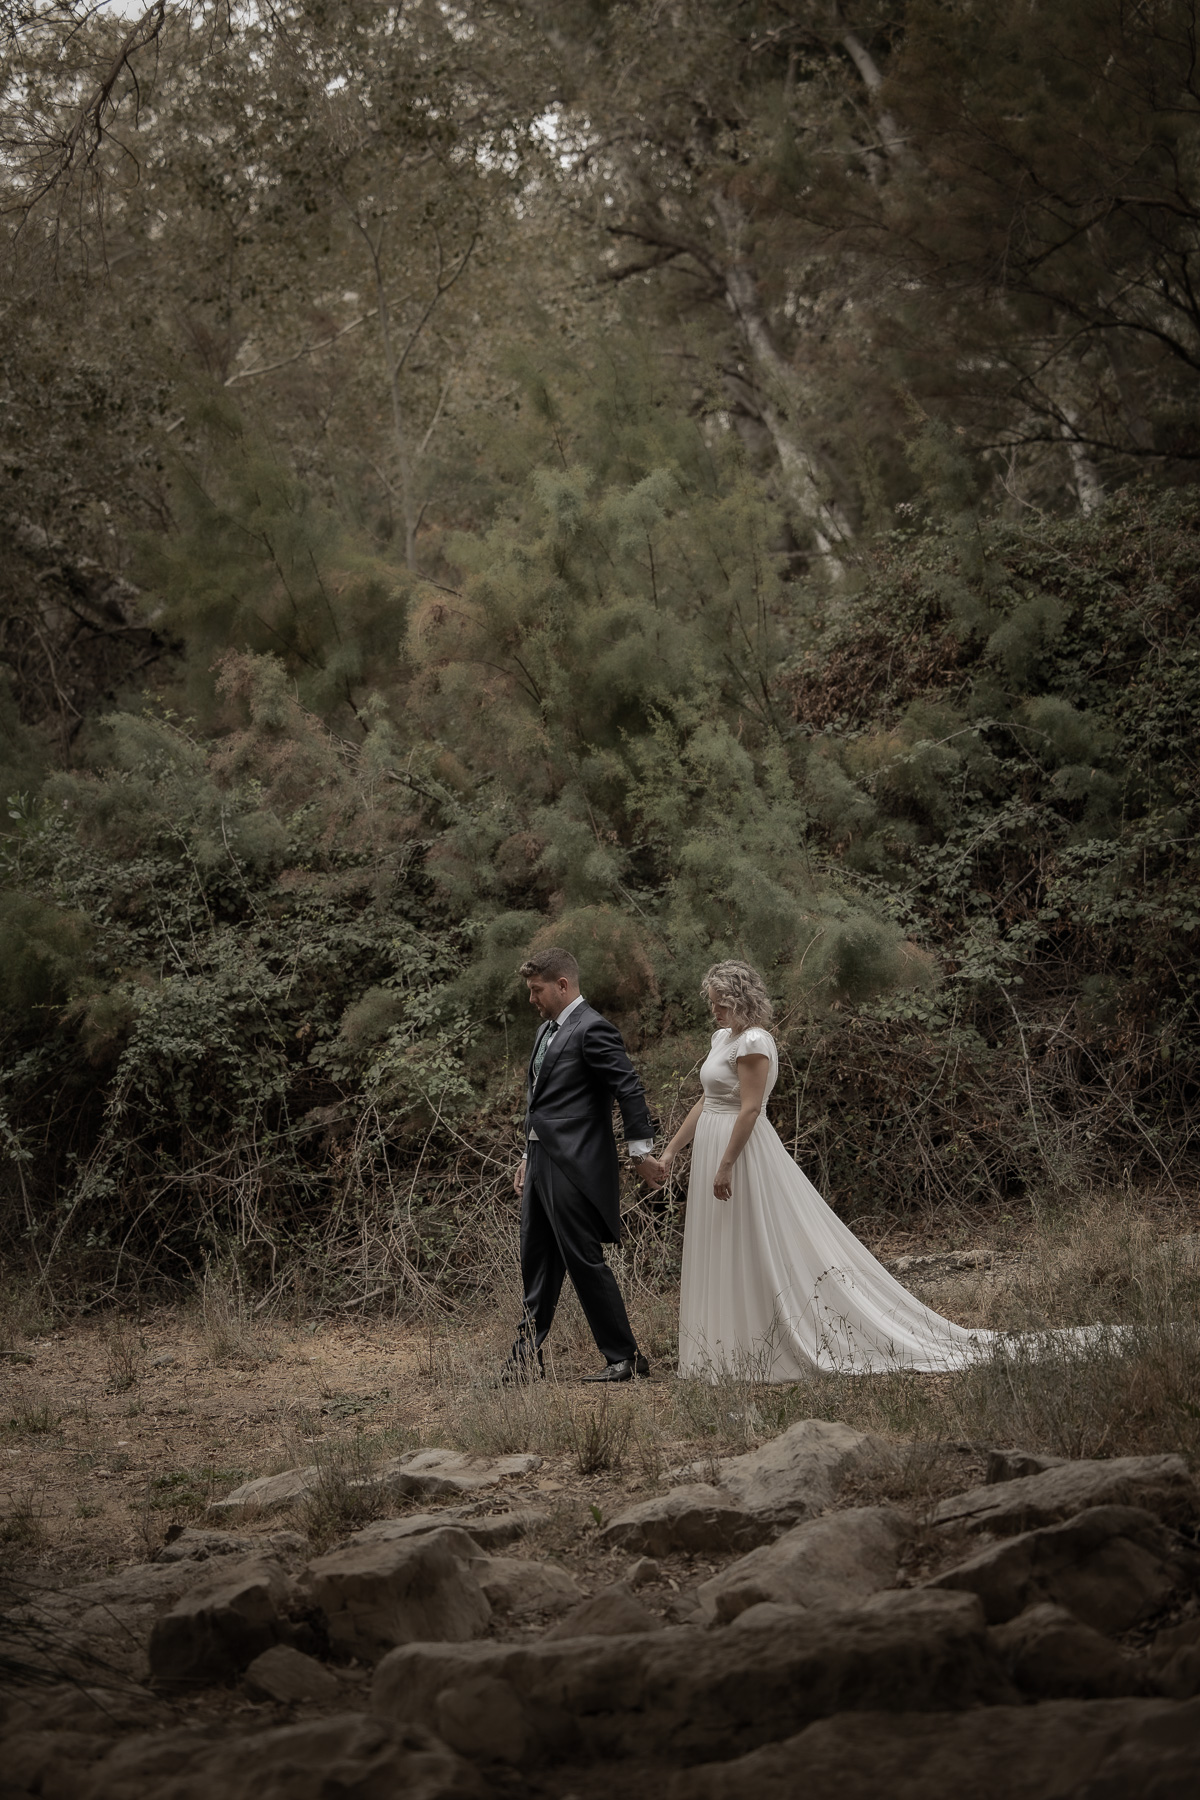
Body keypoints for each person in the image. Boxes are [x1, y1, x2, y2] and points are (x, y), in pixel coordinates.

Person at [651, 958, 995, 1380]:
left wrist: (726, 1165)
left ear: (742, 1000)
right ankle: (726, 1346)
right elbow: (707, 1100)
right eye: (712, 1002)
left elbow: (752, 1108)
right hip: (711, 1142)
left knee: (754, 1240)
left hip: (740, 1151)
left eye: (721, 1002)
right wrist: (670, 1152)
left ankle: (768, 1342)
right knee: (722, 1240)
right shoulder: (722, 1037)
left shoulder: (755, 1041)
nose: (714, 1010)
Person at [506, 947, 665, 1384]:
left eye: (537, 990)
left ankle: (625, 1357)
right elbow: (538, 1102)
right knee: (535, 1258)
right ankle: (524, 1359)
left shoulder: (592, 1029)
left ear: (562, 985)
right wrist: (525, 1155)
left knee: (582, 1260)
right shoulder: (545, 1033)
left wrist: (640, 1152)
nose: (532, 999)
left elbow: (628, 1088)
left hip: (574, 1165)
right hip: (540, 1160)